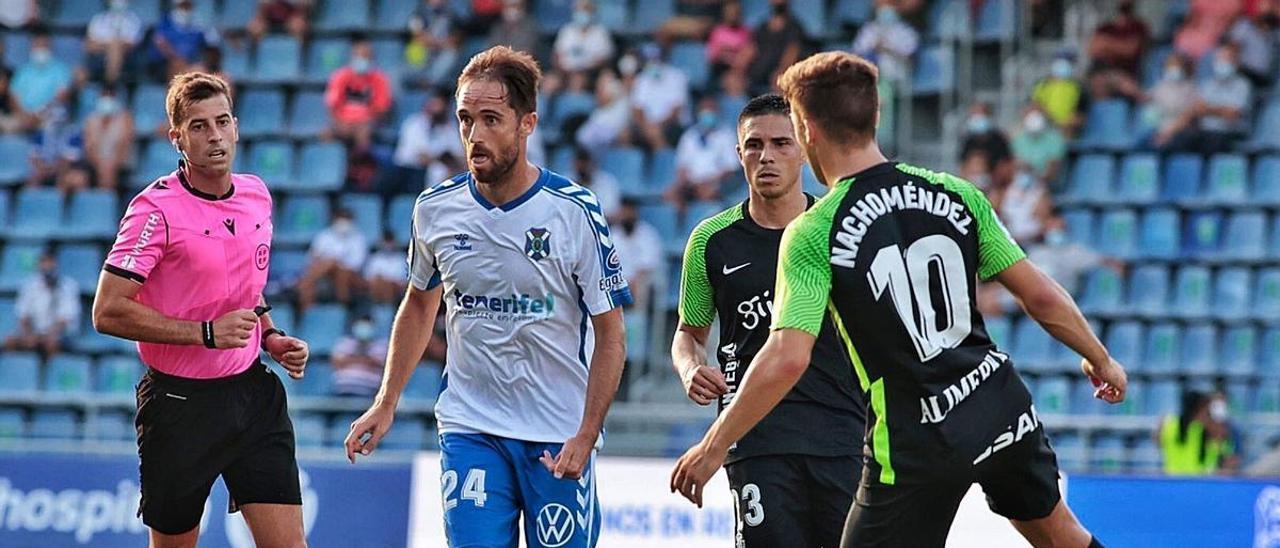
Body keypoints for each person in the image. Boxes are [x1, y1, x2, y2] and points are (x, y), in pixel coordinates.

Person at [669, 51, 1127, 548]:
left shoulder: (816, 229)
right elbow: (1039, 293)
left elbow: (785, 355)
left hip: (915, 436)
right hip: (997, 402)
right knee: (1062, 535)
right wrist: (1099, 357)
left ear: (806, 130)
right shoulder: (955, 192)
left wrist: (712, 446)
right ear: (875, 117)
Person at [344, 46, 630, 548]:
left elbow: (611, 332)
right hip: (471, 426)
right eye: (465, 119)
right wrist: (386, 402)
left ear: (527, 124)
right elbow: (418, 304)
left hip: (556, 433)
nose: (474, 136)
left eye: (491, 119)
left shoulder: (575, 212)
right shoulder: (435, 209)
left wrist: (586, 434)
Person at [91, 71, 310, 548]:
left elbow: (246, 286)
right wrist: (205, 333)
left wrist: (269, 335)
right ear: (177, 138)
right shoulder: (155, 210)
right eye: (199, 126)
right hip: (180, 407)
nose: (214, 136)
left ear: (236, 126)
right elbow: (107, 311)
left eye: (222, 121)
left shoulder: (256, 195)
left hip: (254, 397)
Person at [672, 94, 864, 547]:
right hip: (756, 439)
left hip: (844, 435)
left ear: (803, 147)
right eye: (754, 145)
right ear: (738, 154)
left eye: (781, 143)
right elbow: (688, 332)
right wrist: (689, 367)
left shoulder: (841, 228)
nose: (767, 156)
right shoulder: (712, 241)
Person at [665, 96, 739, 209]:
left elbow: (730, 170)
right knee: (671, 195)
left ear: (718, 112)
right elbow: (682, 166)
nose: (707, 113)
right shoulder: (689, 136)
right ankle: (679, 225)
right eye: (704, 110)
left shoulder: (727, 136)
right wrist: (685, 183)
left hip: (715, 184)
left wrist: (708, 182)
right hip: (691, 183)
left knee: (705, 194)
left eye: (711, 109)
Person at [386, 89, 464, 196]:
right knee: (438, 170)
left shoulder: (449, 127)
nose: (434, 108)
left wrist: (451, 162)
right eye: (433, 104)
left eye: (439, 105)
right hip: (408, 171)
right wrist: (444, 159)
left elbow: (459, 156)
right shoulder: (415, 123)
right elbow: (422, 158)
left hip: (436, 169)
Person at [325, 36, 393, 156]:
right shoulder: (340, 76)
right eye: (358, 55)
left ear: (371, 57)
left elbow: (381, 109)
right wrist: (340, 122)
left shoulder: (379, 79)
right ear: (352, 56)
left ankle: (360, 167)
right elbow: (332, 105)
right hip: (343, 122)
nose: (361, 59)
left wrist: (364, 122)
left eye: (365, 56)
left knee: (363, 135)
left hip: (367, 123)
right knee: (325, 135)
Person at [5, 250, 80, 357]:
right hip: (34, 332)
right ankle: (18, 370)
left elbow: (65, 320)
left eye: (50, 264)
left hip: (59, 334)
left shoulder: (69, 286)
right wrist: (29, 334)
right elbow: (23, 316)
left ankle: (51, 370)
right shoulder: (29, 286)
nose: (47, 268)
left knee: (52, 344)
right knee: (10, 341)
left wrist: (47, 335)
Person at [295, 208, 368, 312]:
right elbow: (312, 258)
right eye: (341, 219)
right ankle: (308, 314)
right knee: (321, 271)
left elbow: (357, 264)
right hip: (324, 273)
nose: (343, 223)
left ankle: (342, 308)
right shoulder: (324, 236)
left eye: (346, 219)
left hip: (349, 274)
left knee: (335, 267)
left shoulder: (358, 238)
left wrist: (335, 263)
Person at [1161, 390, 1240, 475]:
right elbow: (1229, 459)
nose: (1208, 414)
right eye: (1207, 411)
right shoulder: (1204, 428)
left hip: (1173, 481)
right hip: (1197, 483)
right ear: (1197, 410)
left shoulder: (1170, 424)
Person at [631, 43, 690, 150]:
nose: (652, 62)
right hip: (648, 125)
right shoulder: (642, 79)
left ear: (662, 58)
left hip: (673, 124)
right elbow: (637, 110)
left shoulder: (677, 76)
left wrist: (659, 125)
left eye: (655, 59)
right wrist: (645, 125)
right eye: (649, 60)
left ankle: (663, 161)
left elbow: (676, 111)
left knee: (656, 133)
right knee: (624, 133)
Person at [1085, 0, 1148, 101]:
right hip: (1102, 71)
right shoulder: (1105, 27)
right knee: (1098, 82)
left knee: (1124, 84)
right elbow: (1092, 50)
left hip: (1126, 74)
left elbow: (1131, 50)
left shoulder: (1139, 27)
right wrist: (1120, 45)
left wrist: (1106, 44)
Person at [609, 198, 661, 312]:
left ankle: (638, 325)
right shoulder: (613, 235)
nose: (626, 216)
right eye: (624, 213)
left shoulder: (647, 234)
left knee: (640, 285)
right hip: (618, 281)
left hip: (642, 281)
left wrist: (631, 282)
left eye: (629, 213)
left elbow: (647, 265)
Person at [12, 28, 73, 121]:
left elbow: (62, 96)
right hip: (24, 117)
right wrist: (24, 114)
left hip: (50, 116)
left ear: (50, 46)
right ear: (31, 46)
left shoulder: (61, 69)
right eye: (37, 45)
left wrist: (40, 113)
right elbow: (14, 96)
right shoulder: (23, 70)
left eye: (43, 45)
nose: (40, 48)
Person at [145, 0, 216, 81]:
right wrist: (178, 58)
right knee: (177, 65)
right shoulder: (164, 21)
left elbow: (211, 43)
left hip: (189, 63)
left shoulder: (198, 26)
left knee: (201, 69)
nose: (185, 9)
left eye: (188, 5)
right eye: (182, 5)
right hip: (161, 65)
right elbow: (160, 42)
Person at [852, 0, 919, 84]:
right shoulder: (868, 29)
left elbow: (910, 59)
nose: (886, 9)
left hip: (895, 75)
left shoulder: (907, 32)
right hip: (868, 76)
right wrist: (873, 49)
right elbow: (856, 53)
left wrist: (888, 50)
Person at [82, 87, 136, 190]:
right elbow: (89, 148)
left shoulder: (126, 119)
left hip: (119, 162)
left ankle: (110, 194)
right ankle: (102, 194)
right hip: (97, 163)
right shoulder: (91, 121)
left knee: (108, 169)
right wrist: (100, 164)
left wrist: (112, 164)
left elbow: (124, 146)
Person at [86, 0, 145, 85]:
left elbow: (133, 44)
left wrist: (113, 46)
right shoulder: (98, 19)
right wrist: (109, 47)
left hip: (127, 59)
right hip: (98, 58)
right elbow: (89, 45)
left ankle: (109, 89)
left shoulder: (134, 21)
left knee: (115, 49)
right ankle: (109, 88)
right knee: (114, 47)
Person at [553, 0, 615, 80]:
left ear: (592, 12)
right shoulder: (567, 31)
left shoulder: (600, 33)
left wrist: (583, 69)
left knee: (607, 76)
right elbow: (556, 55)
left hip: (591, 74)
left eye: (585, 9)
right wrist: (565, 70)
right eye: (579, 9)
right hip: (566, 73)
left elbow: (604, 59)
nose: (582, 13)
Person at [331, 315, 388, 398]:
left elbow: (378, 363)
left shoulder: (381, 345)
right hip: (341, 391)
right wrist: (365, 359)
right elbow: (337, 362)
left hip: (369, 393)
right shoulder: (344, 343)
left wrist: (350, 359)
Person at [1031, 51, 1085, 135]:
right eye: (1060, 60)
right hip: (1044, 126)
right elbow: (1034, 105)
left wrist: (1064, 125)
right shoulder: (1042, 84)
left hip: (1067, 129)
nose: (1063, 64)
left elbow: (1081, 114)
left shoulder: (1078, 87)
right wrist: (1048, 119)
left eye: (1067, 61)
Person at [1010, 104, 1066, 184]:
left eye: (1037, 113)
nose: (1034, 117)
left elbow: (1052, 173)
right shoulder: (1017, 138)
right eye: (1030, 113)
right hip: (1018, 184)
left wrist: (1033, 173)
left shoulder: (1056, 139)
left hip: (1044, 185)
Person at [570, 147, 620, 217]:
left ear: (593, 163)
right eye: (580, 162)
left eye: (586, 162)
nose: (583, 167)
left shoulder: (607, 181)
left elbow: (611, 211)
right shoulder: (567, 180)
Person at [364, 230, 408, 304]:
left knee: (388, 285)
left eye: (390, 241)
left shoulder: (401, 259)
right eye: (386, 241)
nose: (388, 244)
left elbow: (403, 280)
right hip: (377, 288)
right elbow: (368, 278)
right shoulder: (375, 258)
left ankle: (387, 306)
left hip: (396, 289)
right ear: (381, 242)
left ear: (395, 242)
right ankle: (379, 306)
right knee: (378, 283)